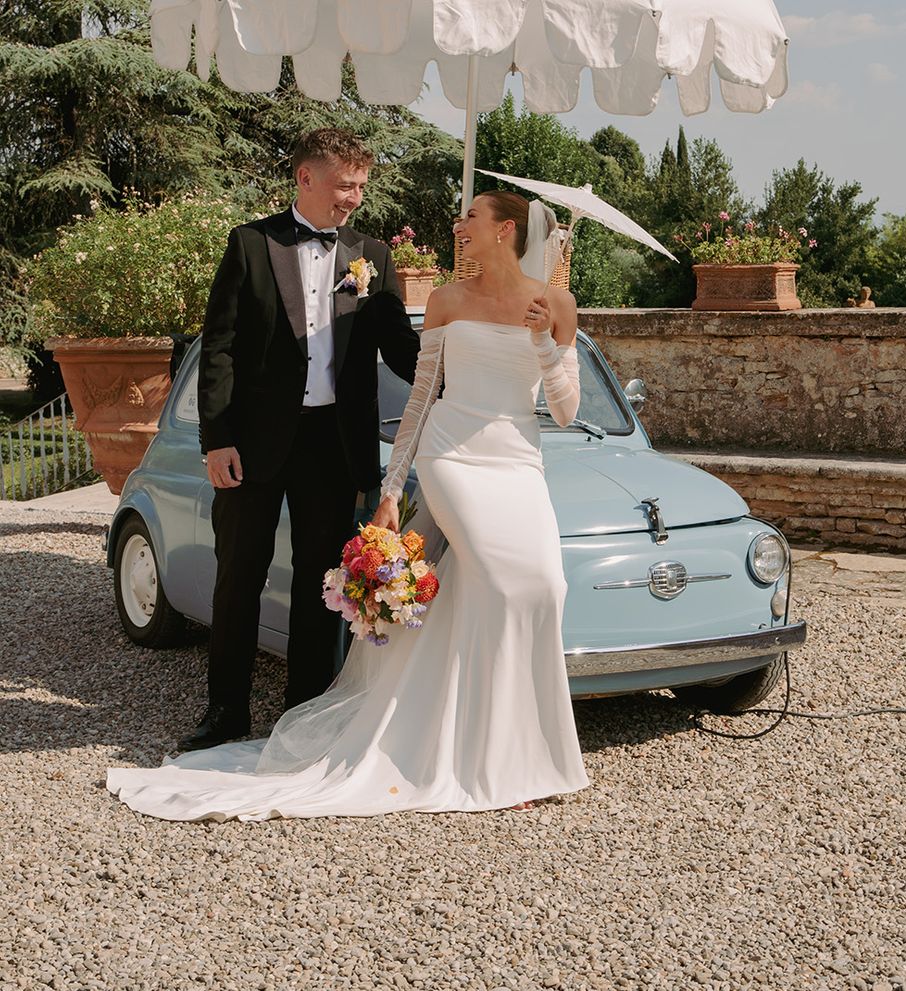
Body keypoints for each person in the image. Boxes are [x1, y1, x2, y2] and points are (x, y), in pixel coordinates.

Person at [107, 190, 589, 819]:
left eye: (470, 215)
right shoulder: (445, 301)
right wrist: (391, 492)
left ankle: (512, 748)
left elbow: (566, 409)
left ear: (505, 231)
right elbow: (418, 401)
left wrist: (545, 345)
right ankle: (491, 758)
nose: (457, 222)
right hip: (452, 458)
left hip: (518, 459)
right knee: (501, 581)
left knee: (545, 588)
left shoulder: (555, 302)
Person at [177, 127, 420, 753]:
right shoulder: (251, 244)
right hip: (253, 445)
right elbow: (220, 351)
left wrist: (464, 352)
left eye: (362, 187)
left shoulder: (374, 256)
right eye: (345, 185)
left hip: (333, 446)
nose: (354, 199)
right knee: (240, 576)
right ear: (305, 179)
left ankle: (304, 716)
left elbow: (402, 349)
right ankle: (225, 712)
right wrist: (218, 440)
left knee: (324, 582)